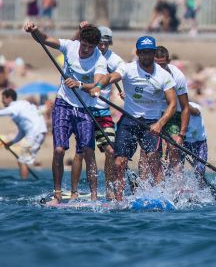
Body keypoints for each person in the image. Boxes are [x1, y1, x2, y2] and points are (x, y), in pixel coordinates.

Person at [24, 22, 107, 204]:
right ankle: (58, 195)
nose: (85, 50)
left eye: (90, 47)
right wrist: (34, 30)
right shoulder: (70, 46)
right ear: (81, 40)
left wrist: (80, 85)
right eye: (84, 45)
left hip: (85, 108)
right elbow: (44, 40)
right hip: (63, 103)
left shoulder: (99, 60)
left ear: (96, 46)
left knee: (87, 151)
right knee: (59, 150)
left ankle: (93, 196)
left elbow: (96, 85)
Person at [93, 36, 177, 201]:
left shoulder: (163, 75)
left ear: (154, 53)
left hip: (152, 123)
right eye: (143, 52)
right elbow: (110, 77)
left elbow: (173, 104)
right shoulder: (128, 69)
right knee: (119, 163)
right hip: (129, 120)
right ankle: (118, 200)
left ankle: (161, 197)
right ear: (138, 53)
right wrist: (98, 86)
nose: (147, 56)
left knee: (154, 161)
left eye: (150, 52)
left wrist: (160, 124)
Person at [70, 25, 124, 200]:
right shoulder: (85, 51)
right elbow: (69, 49)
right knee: (83, 152)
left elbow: (125, 72)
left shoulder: (113, 59)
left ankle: (109, 188)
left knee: (110, 150)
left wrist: (123, 90)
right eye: (99, 42)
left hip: (102, 111)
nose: (102, 46)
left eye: (106, 43)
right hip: (83, 109)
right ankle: (76, 192)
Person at [153, 46, 190, 176]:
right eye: (156, 64)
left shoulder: (178, 76)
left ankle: (176, 185)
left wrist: (182, 135)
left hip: (173, 114)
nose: (159, 68)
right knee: (149, 152)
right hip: (154, 113)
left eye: (162, 65)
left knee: (174, 147)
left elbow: (185, 107)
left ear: (168, 61)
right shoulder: (147, 71)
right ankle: (145, 188)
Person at [0, 89, 47, 179]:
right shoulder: (22, 107)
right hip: (38, 133)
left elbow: (1, 113)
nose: (2, 101)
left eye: (3, 98)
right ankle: (26, 182)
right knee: (22, 160)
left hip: (35, 134)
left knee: (22, 161)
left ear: (9, 98)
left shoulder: (15, 107)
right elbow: (22, 132)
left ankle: (25, 184)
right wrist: (12, 142)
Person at [182, 101, 208, 186]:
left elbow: (196, 112)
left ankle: (201, 190)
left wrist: (182, 103)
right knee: (176, 167)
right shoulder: (174, 108)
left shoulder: (195, 106)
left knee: (200, 170)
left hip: (199, 143)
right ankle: (177, 189)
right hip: (183, 142)